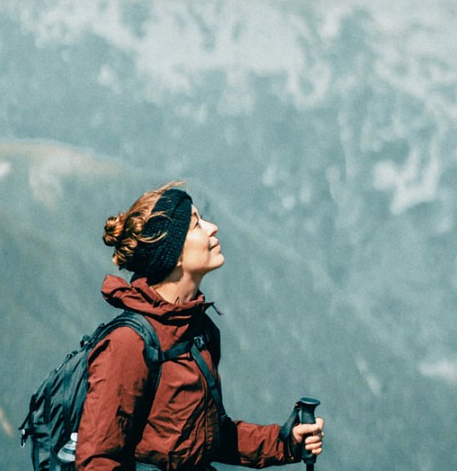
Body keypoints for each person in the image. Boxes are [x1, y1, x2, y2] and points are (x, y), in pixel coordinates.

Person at [76, 181, 325, 471]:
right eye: (196, 224)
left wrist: (286, 442)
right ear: (174, 255)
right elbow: (96, 461)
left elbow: (209, 437)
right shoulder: (128, 344)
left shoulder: (198, 331)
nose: (212, 227)